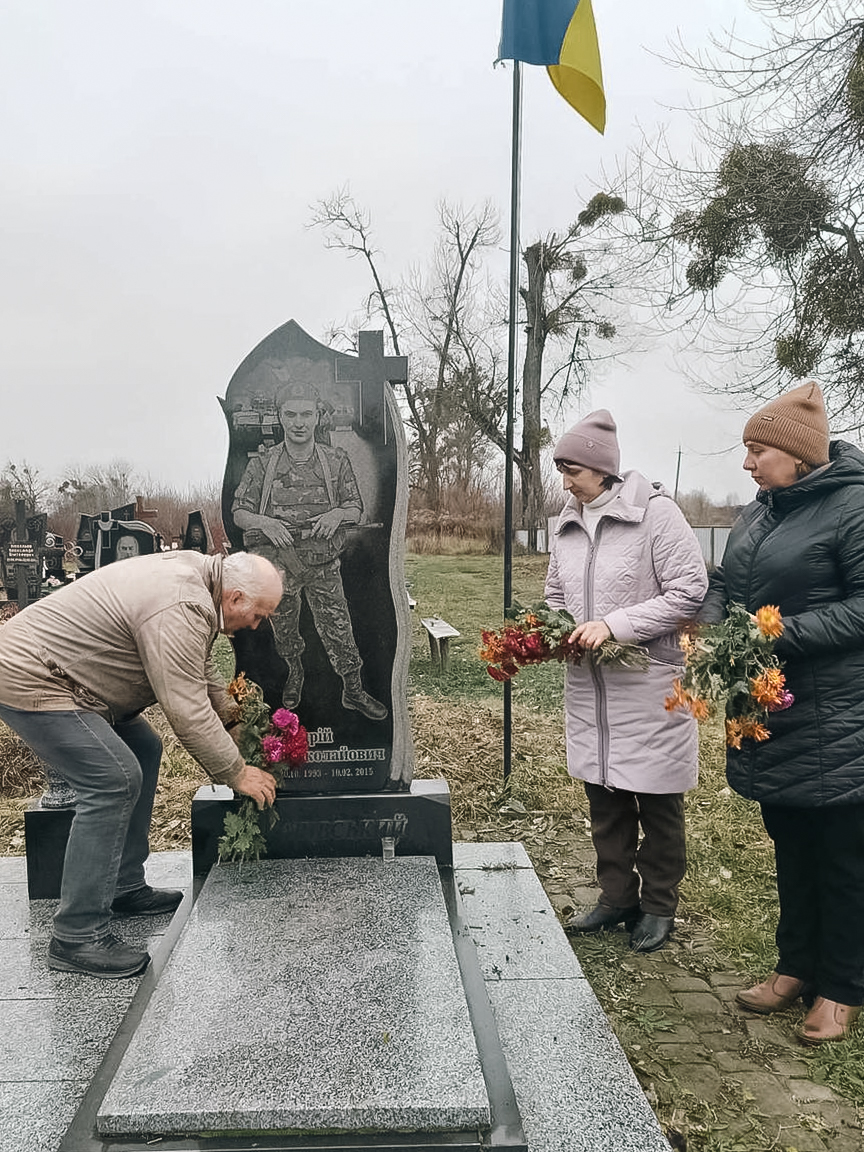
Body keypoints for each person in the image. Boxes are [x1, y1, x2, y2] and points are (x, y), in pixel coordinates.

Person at [0, 550, 283, 979]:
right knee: (113, 779)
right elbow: (185, 708)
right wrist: (235, 772)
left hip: (74, 680)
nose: (256, 625)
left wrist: (231, 717)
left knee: (143, 750)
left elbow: (196, 668)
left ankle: (123, 886)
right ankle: (76, 934)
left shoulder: (202, 582)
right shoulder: (182, 602)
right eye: (259, 615)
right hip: (34, 675)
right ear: (237, 597)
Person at [702, 381, 864, 1044]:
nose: (747, 464)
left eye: (757, 450)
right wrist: (714, 629)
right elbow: (723, 581)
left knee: (842, 859)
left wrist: (776, 633)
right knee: (791, 847)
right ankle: (795, 967)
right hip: (770, 713)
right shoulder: (760, 511)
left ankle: (842, 988)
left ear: (800, 455)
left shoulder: (853, 507)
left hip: (836, 718)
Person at [547, 410, 708, 953]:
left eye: (571, 470)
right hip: (590, 685)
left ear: (602, 470)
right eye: (561, 470)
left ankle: (659, 905)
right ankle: (616, 896)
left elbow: (690, 590)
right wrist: (554, 630)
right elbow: (555, 595)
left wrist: (614, 626)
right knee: (604, 793)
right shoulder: (566, 521)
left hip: (650, 680)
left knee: (656, 797)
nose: (565, 482)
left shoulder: (657, 517)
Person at [232, 380, 387, 720]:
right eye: (291, 414)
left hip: (323, 564)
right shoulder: (263, 464)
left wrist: (337, 514)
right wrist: (267, 523)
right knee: (285, 631)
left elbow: (355, 510)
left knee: (339, 631)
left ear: (317, 417)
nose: (299, 422)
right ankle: (295, 672)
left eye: (306, 414)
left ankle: (353, 689)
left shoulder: (334, 460)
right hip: (280, 568)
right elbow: (239, 513)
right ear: (281, 417)